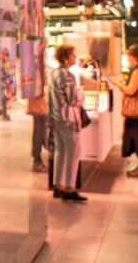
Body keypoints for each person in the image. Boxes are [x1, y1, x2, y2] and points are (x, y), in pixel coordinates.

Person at [49, 44, 86, 201]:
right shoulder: (68, 76)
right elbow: (73, 99)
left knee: (60, 151)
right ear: (65, 57)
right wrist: (81, 95)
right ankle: (70, 188)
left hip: (57, 118)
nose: (75, 57)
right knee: (73, 151)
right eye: (72, 55)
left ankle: (58, 185)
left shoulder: (53, 73)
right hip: (69, 119)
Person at [105, 43, 138, 177]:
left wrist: (117, 84)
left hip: (136, 111)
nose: (128, 60)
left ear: (135, 57)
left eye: (129, 57)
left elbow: (130, 90)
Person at [28, 90, 49, 172]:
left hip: (39, 102)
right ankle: (37, 162)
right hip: (39, 103)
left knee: (40, 131)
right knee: (38, 132)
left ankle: (37, 161)